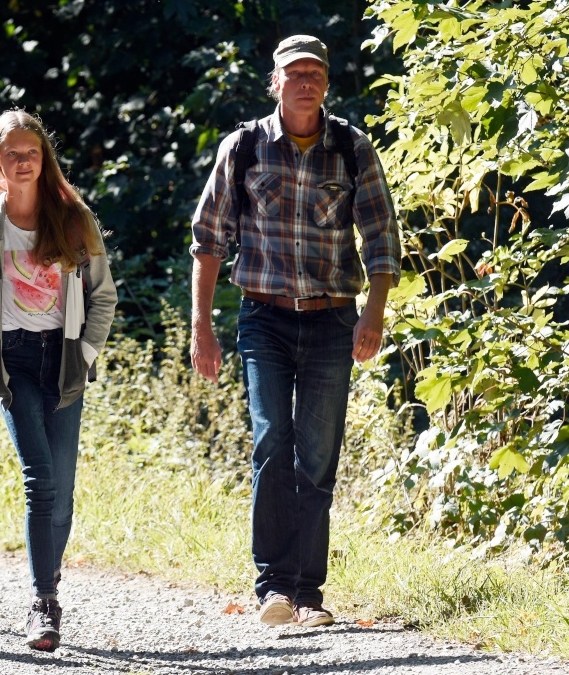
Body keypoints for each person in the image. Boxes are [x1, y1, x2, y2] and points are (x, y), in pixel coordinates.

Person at [190, 35, 401, 628]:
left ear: (327, 82)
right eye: (294, 72)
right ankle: (273, 587)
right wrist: (201, 326)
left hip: (335, 319)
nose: (305, 81)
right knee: (270, 444)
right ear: (275, 81)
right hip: (265, 317)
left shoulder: (351, 148)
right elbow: (208, 242)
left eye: (315, 72)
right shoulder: (244, 147)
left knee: (318, 456)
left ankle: (309, 592)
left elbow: (382, 239)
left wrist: (374, 311)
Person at [0, 110, 117, 651]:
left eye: (31, 153)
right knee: (40, 479)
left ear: (43, 159)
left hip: (64, 360)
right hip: (15, 362)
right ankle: (42, 602)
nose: (22, 162)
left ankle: (46, 584)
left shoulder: (74, 218)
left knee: (63, 491)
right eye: (11, 154)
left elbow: (103, 295)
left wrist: (86, 352)